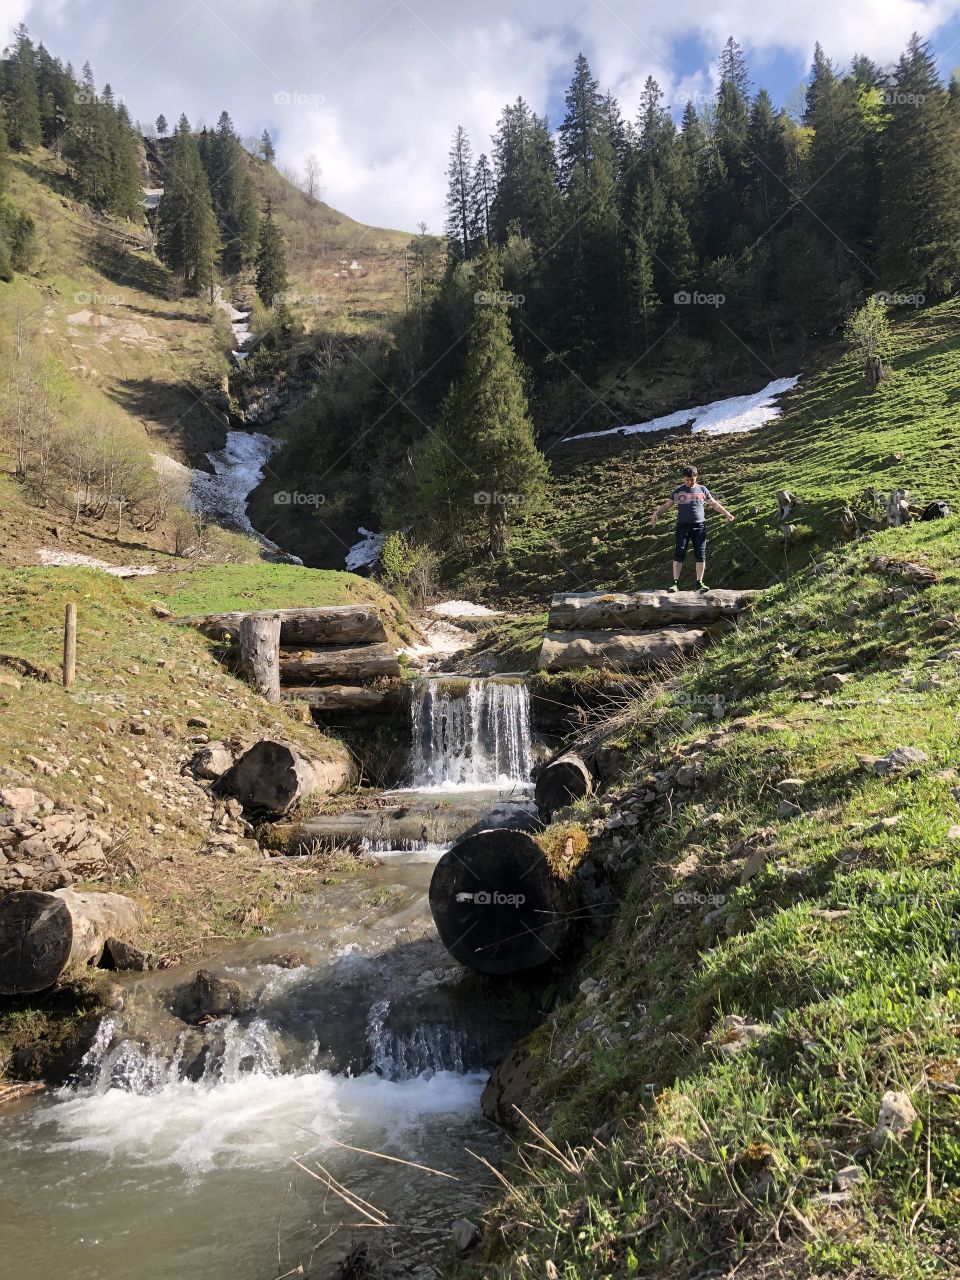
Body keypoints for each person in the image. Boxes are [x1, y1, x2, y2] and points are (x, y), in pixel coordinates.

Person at [650, 465, 734, 593]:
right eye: (687, 480)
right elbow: (667, 505)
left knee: (700, 553)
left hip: (699, 526)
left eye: (692, 479)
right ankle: (675, 583)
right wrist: (656, 514)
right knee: (680, 552)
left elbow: (714, 504)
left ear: (696, 477)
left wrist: (727, 513)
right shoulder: (679, 491)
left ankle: (699, 582)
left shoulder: (702, 490)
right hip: (683, 526)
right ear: (683, 478)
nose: (690, 482)